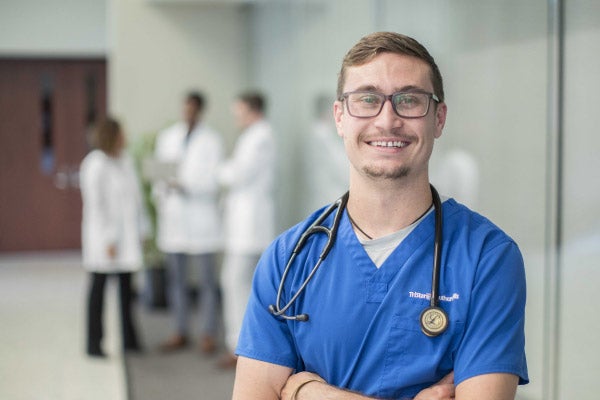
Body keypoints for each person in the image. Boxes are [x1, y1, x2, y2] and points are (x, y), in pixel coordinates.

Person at [232, 32, 528, 399]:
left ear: (439, 119)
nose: (387, 120)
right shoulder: (287, 259)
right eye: (367, 99)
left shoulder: (487, 257)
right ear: (340, 117)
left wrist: (307, 392)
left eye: (410, 100)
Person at [152, 92, 224, 354]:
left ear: (200, 111)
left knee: (206, 282)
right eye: (185, 108)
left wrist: (187, 186)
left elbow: (214, 181)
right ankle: (179, 330)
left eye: (193, 109)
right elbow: (158, 176)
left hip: (201, 218)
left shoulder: (212, 141)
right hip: (174, 219)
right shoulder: (167, 137)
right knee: (176, 281)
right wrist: (164, 189)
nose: (188, 112)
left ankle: (208, 333)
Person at [80, 117, 149, 358]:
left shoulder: (126, 160)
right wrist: (108, 239)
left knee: (126, 291)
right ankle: (93, 343)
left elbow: (137, 200)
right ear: (111, 135)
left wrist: (143, 230)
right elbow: (96, 206)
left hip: (128, 239)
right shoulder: (94, 164)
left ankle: (129, 339)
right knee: (98, 290)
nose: (125, 137)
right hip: (104, 240)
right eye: (121, 133)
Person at [217, 91, 276, 368]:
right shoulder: (255, 136)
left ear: (252, 109)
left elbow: (237, 174)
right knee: (239, 282)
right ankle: (244, 344)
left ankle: (240, 345)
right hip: (246, 223)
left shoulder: (259, 137)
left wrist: (219, 170)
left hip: (250, 224)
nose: (236, 117)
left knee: (234, 281)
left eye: (238, 111)